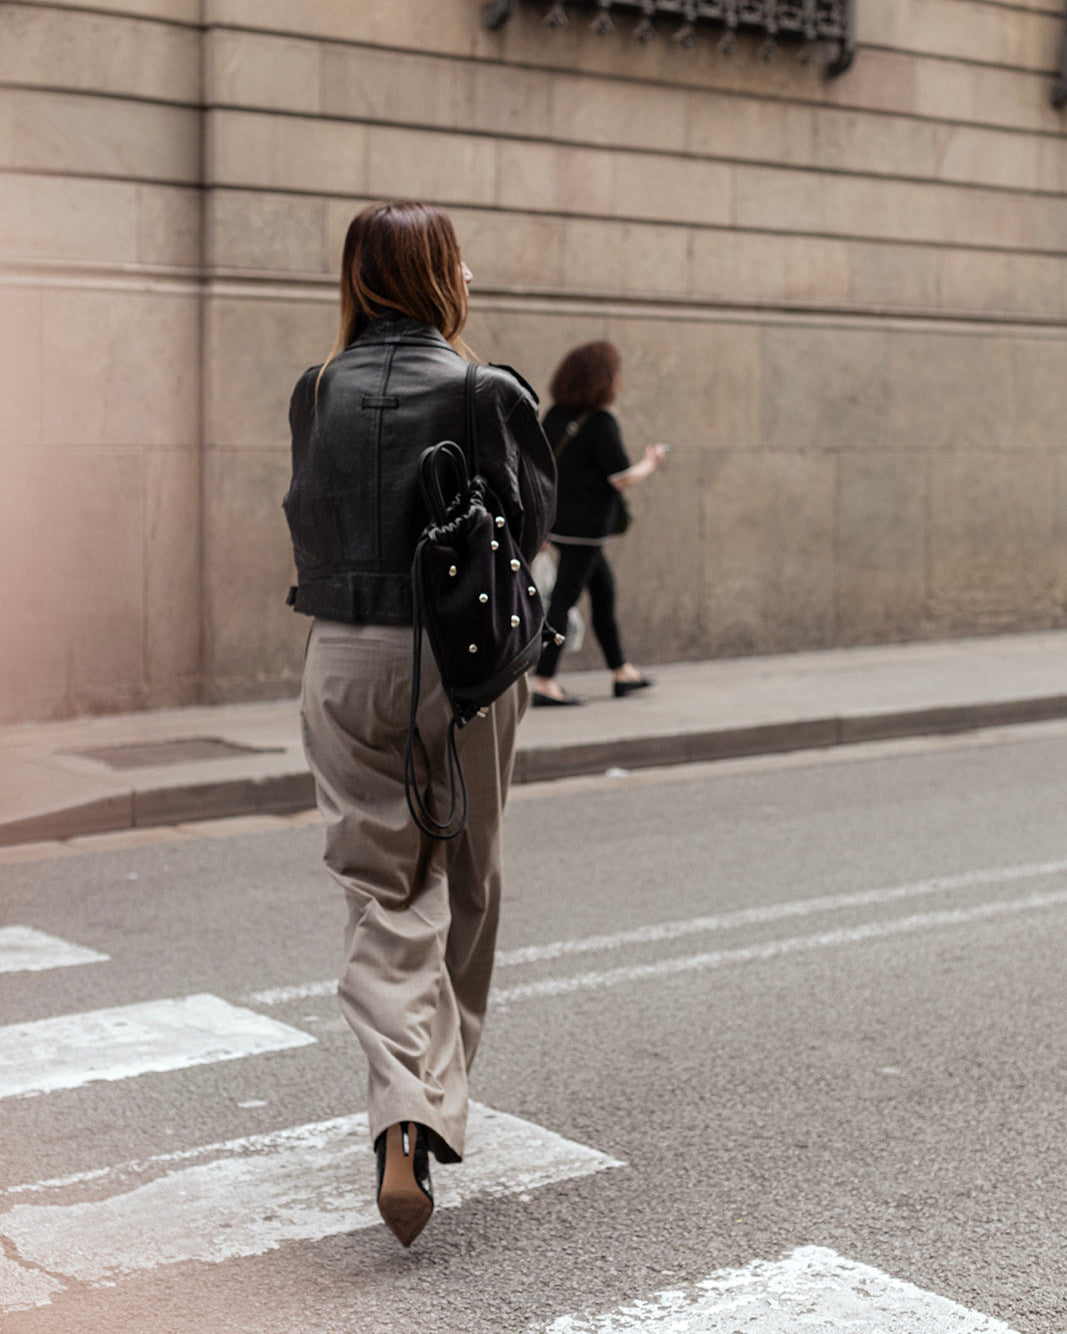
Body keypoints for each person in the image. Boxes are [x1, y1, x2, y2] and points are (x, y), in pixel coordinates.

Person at [283, 201, 556, 1248]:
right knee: (469, 880)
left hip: (343, 657)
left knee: (379, 888)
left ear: (357, 276)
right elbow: (531, 527)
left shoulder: (315, 389)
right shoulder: (486, 389)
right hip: (461, 663)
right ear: (447, 274)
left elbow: (306, 515)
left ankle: (404, 1108)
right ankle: (426, 1101)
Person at [530, 340, 667, 706]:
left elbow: (540, 470)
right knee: (563, 599)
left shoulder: (555, 415)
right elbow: (621, 477)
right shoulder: (601, 423)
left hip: (559, 524)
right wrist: (651, 463)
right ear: (602, 379)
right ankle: (544, 680)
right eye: (616, 373)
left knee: (603, 592)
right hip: (587, 529)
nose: (620, 379)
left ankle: (621, 671)